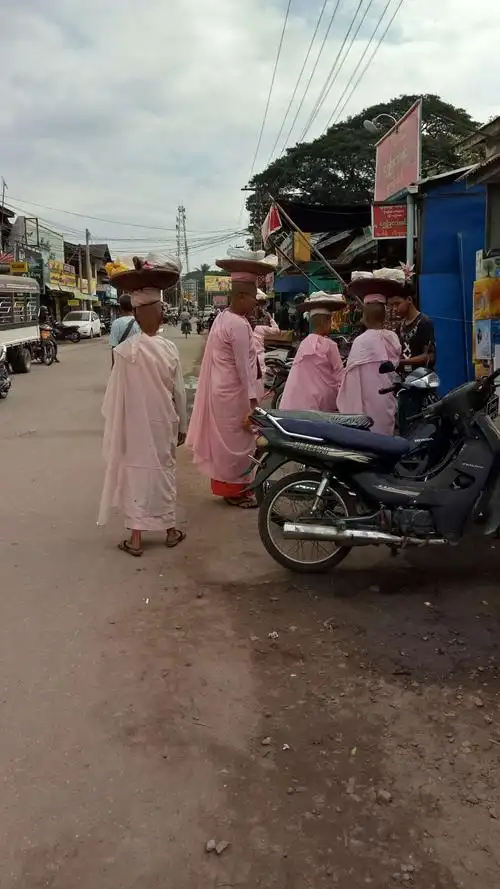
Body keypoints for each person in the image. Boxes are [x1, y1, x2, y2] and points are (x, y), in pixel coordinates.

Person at [97, 256, 187, 556]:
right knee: (162, 473)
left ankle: (136, 539)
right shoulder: (168, 348)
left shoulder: (124, 352)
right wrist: (183, 426)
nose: (161, 316)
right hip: (164, 423)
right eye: (160, 310)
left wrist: (118, 427)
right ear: (150, 314)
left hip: (136, 426)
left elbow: (115, 398)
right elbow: (179, 394)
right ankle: (170, 530)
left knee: (137, 473)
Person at [187, 250, 275, 507]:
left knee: (230, 444)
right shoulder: (238, 324)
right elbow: (245, 368)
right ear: (240, 296)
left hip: (222, 392)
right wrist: (253, 404)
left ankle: (232, 488)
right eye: (253, 299)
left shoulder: (223, 317)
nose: (256, 305)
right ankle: (237, 490)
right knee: (240, 444)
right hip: (234, 395)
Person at [337, 282, 402, 435]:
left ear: (364, 317)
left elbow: (351, 380)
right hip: (385, 402)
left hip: (366, 405)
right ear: (384, 316)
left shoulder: (361, 341)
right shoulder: (392, 338)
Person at [279, 292, 345, 413]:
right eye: (330, 321)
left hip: (300, 404)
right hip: (322, 404)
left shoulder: (304, 343)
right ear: (326, 322)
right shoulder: (330, 345)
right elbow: (340, 374)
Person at [389, 282, 435, 375]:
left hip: (421, 379)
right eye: (392, 305)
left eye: (397, 304)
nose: (394, 308)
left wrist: (402, 362)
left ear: (409, 299)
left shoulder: (424, 322)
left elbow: (430, 356)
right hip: (403, 379)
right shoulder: (400, 326)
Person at [251, 289, 279, 399]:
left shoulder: (242, 326)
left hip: (251, 359)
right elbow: (276, 330)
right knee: (258, 386)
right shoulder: (261, 328)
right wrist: (271, 318)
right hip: (259, 358)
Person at [108, 293, 140, 366]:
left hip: (122, 361)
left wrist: (113, 365)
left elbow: (114, 347)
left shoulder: (116, 323)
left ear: (120, 308)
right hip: (138, 359)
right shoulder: (140, 321)